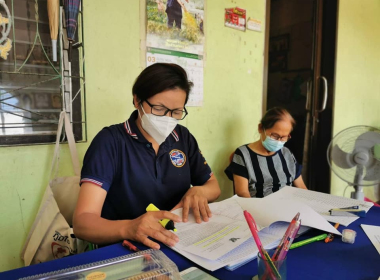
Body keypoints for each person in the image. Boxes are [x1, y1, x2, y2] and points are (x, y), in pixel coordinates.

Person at [73, 63, 221, 250]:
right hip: (126, 248)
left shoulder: (183, 137)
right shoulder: (110, 142)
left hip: (179, 243)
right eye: (159, 109)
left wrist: (200, 191)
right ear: (137, 100)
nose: (168, 119)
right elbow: (82, 223)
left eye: (176, 112)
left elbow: (214, 187)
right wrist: (130, 227)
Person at [224, 107, 307, 198]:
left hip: (289, 206)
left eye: (284, 137)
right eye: (275, 135)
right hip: (258, 207)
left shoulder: (286, 153)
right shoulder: (243, 154)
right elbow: (242, 193)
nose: (279, 141)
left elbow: (301, 188)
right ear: (261, 128)